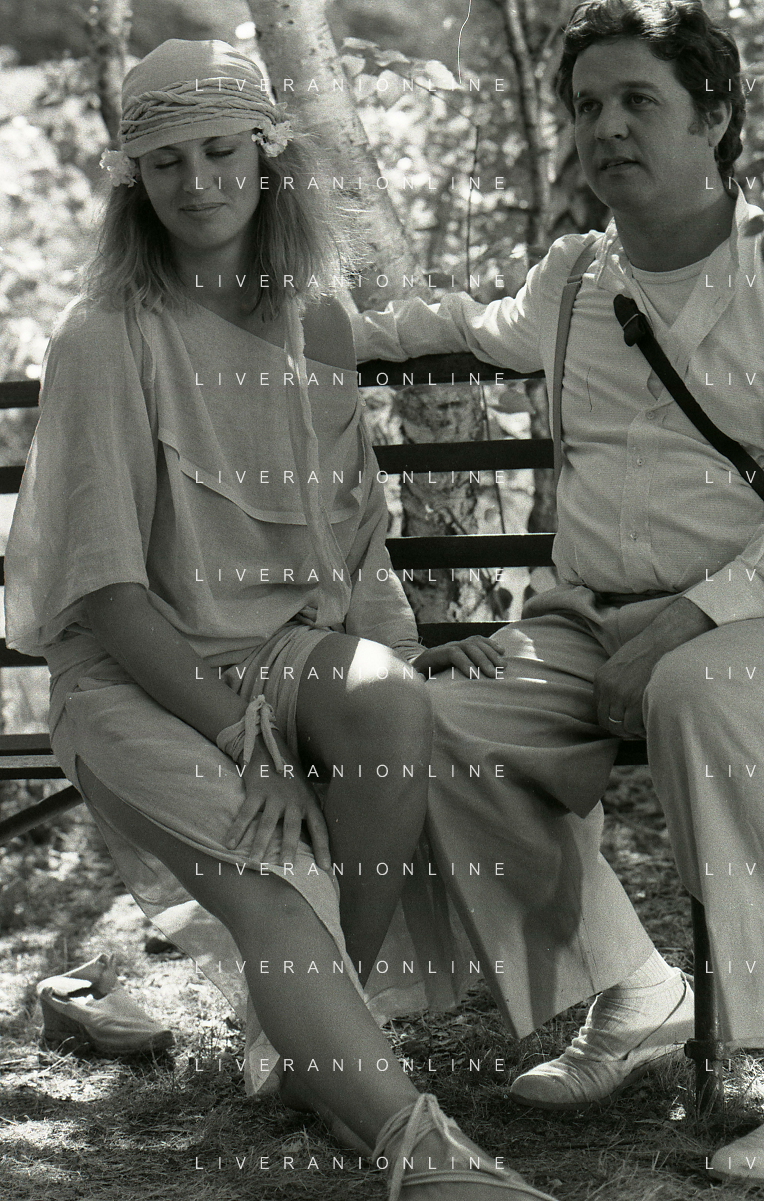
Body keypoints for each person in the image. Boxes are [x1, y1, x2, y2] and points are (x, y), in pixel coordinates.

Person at [3, 37, 559, 1201]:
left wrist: (399, 662)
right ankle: (418, 1149)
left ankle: (316, 1043)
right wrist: (245, 737)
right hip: (140, 678)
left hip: (282, 657)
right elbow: (105, 594)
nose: (196, 183)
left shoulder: (315, 322)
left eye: (220, 151)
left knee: (390, 705)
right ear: (133, 180)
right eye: (165, 162)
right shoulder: (104, 336)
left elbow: (352, 548)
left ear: (268, 158)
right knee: (278, 874)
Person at [352, 0, 764, 1180]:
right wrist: (321, 330)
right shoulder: (577, 275)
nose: (604, 127)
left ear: (714, 116)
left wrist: (683, 620)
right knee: (426, 721)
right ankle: (634, 991)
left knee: (696, 694)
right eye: (586, 105)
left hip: (739, 618)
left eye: (638, 99)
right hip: (585, 621)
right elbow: (467, 326)